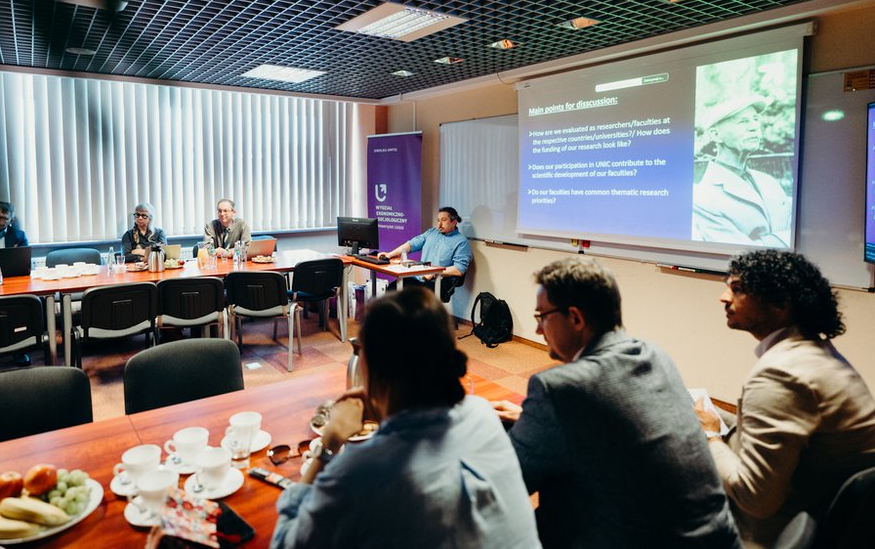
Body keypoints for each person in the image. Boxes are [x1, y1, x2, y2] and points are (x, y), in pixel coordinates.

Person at [493, 257, 740, 548]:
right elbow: (618, 425)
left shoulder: (559, 387)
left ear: (575, 318)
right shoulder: (654, 355)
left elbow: (506, 483)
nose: (538, 330)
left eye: (542, 317)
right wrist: (532, 419)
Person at [271, 286, 540, 549]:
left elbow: (285, 542)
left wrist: (327, 447)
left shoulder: (360, 471)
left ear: (371, 367)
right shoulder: (482, 414)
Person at [695, 250, 875, 548]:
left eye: (737, 288)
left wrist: (711, 435)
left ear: (779, 302)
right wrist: (720, 420)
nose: (723, 297)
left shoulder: (781, 374)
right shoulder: (817, 352)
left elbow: (755, 499)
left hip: (772, 532)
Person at [692, 96, 792, 246]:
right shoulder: (703, 197)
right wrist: (785, 239)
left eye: (755, 119)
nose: (754, 126)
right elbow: (739, 254)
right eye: (743, 121)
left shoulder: (769, 181)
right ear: (715, 135)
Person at [377, 207, 471, 299]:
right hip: (419, 278)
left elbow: (459, 269)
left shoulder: (461, 242)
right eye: (438, 220)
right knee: (392, 289)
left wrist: (434, 273)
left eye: (444, 220)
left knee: (411, 297)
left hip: (438, 281)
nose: (439, 225)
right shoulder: (431, 233)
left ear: (454, 222)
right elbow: (411, 245)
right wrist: (389, 254)